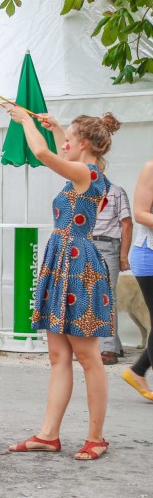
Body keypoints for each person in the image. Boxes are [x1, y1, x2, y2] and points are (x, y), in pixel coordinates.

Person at [6, 108, 119, 461]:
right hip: (63, 263)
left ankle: (96, 438)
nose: (64, 143)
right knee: (59, 356)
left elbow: (44, 154)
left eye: (70, 138)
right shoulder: (83, 173)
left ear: (84, 144)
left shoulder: (87, 173)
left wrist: (24, 122)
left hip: (79, 267)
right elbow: (60, 150)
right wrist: (56, 127)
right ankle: (48, 435)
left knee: (88, 357)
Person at [121, 160, 153, 400]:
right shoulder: (151, 168)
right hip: (149, 253)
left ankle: (138, 370)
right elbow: (140, 214)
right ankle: (138, 371)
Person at [92, 181, 132, 365]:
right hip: (86, 244)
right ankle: (114, 344)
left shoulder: (116, 191)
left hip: (108, 245)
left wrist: (123, 256)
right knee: (91, 296)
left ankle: (108, 348)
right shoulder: (80, 190)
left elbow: (127, 224)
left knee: (106, 296)